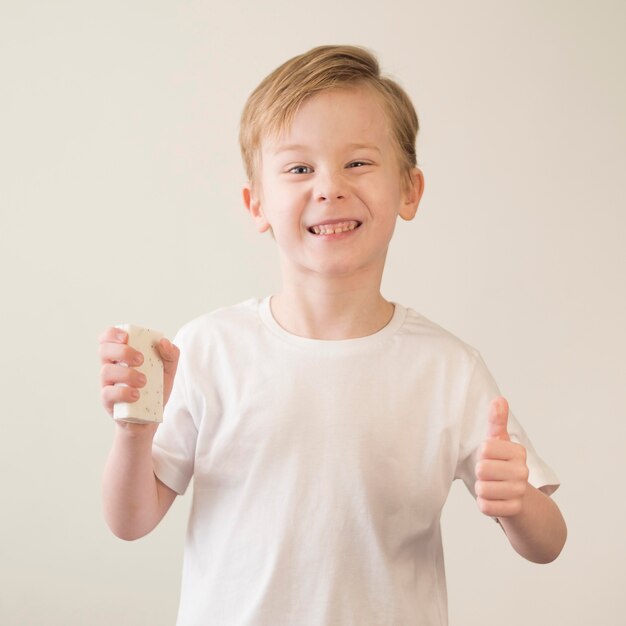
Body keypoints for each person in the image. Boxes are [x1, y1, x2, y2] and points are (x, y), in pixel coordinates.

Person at [98, 45, 566, 626]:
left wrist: (519, 503)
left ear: (410, 190)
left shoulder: (448, 368)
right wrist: (135, 433)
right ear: (257, 203)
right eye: (299, 168)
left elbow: (548, 543)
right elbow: (130, 521)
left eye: (359, 163)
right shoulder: (209, 349)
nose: (329, 187)